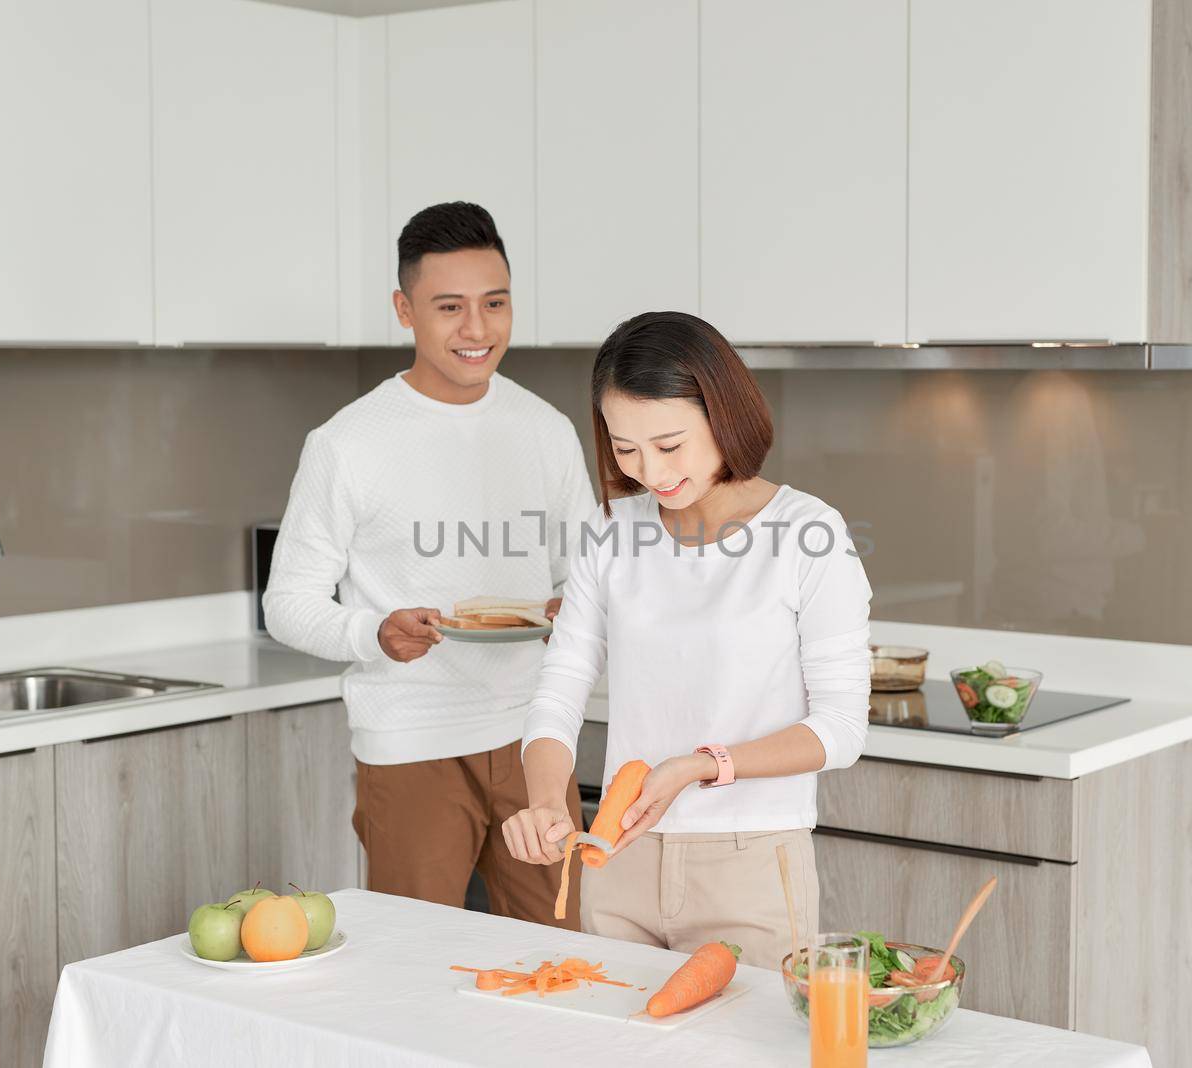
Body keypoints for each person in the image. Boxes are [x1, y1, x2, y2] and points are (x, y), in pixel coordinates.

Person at [501, 311, 872, 968]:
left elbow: (841, 730)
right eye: (625, 448)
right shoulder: (610, 528)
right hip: (617, 859)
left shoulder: (807, 532)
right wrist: (542, 800)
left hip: (751, 863)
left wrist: (703, 765)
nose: (651, 471)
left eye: (669, 445)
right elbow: (559, 687)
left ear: (722, 415)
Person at [264, 202, 594, 927]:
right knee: (411, 973)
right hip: (412, 743)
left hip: (535, 738)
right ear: (404, 310)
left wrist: (578, 611)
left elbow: (589, 578)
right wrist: (373, 632)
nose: (477, 330)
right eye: (450, 307)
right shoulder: (347, 443)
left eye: (495, 304)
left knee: (562, 959)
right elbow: (286, 602)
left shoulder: (546, 431)